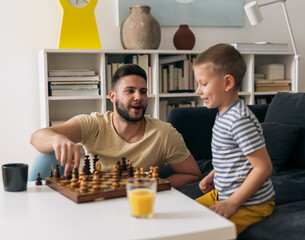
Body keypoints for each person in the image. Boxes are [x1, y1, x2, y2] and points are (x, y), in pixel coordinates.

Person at [30, 64, 201, 188]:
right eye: (130, 91)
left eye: (143, 91)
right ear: (112, 96)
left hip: (137, 203)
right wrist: (58, 139)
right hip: (97, 199)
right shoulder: (94, 124)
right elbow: (36, 137)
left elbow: (192, 174)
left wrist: (152, 185)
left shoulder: (164, 133)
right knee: (45, 158)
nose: (138, 97)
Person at [193, 43, 275, 234]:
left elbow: (263, 167)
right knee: (185, 215)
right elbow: (233, 157)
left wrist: (232, 203)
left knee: (204, 232)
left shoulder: (239, 119)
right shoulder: (223, 114)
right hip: (222, 194)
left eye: (203, 84)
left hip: (252, 204)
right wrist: (213, 174)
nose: (198, 90)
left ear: (227, 83)